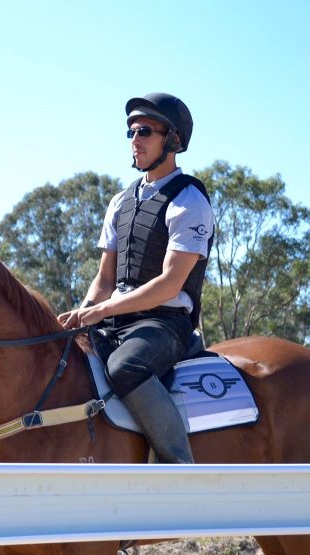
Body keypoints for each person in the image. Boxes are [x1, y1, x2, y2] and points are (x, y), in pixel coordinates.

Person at [58, 93, 214, 464]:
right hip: (116, 320)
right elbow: (104, 279)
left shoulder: (189, 200)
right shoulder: (120, 201)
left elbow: (169, 284)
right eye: (130, 131)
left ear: (173, 140)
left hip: (164, 324)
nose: (135, 139)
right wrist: (82, 315)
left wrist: (104, 310)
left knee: (124, 367)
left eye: (144, 131)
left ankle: (181, 466)